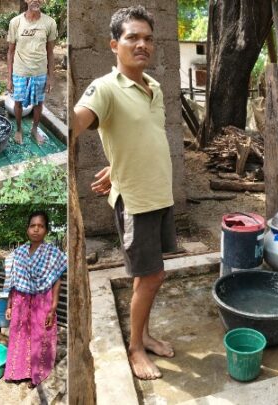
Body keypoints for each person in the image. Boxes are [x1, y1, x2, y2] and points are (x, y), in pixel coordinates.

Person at [71, 6, 176, 380]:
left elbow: (141, 139)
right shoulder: (104, 88)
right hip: (136, 202)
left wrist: (114, 166)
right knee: (152, 277)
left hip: (160, 196)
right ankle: (135, 349)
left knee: (145, 275)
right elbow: (78, 119)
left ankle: (144, 335)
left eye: (148, 38)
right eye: (132, 37)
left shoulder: (155, 87)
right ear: (114, 44)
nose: (142, 44)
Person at [3, 211, 66, 388]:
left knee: (41, 336)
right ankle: (18, 372)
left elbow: (56, 282)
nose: (36, 229)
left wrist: (53, 308)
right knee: (19, 334)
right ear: (27, 229)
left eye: (41, 226)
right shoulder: (19, 253)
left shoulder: (53, 254)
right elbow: (13, 280)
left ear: (46, 230)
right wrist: (9, 305)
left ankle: (37, 375)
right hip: (20, 300)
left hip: (42, 300)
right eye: (33, 226)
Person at [6, 0, 57, 145]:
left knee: (39, 103)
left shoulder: (50, 23)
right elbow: (10, 52)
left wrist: (50, 77)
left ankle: (35, 129)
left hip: (40, 72)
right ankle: (19, 129)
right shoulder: (15, 22)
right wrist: (9, 79)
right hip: (20, 71)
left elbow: (51, 53)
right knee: (18, 102)